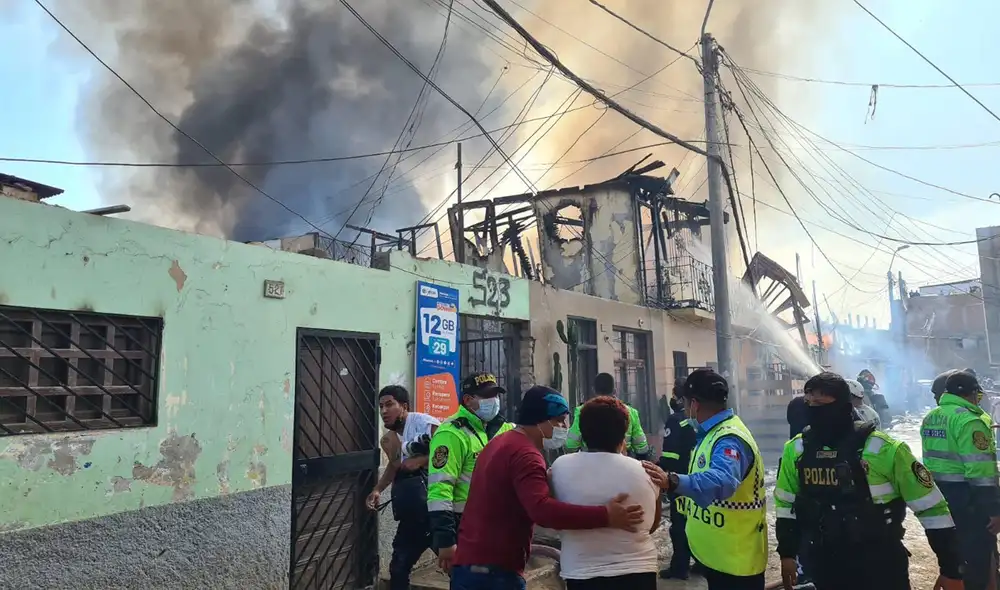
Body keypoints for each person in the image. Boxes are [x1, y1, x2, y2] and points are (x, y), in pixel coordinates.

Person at [775, 372, 963, 590]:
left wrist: (951, 569)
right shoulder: (797, 450)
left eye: (820, 402)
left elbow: (932, 509)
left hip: (879, 565)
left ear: (844, 407)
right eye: (809, 403)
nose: (812, 409)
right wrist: (787, 554)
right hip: (823, 564)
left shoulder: (883, 449)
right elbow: (785, 505)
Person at [450, 386, 646, 590]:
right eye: (559, 421)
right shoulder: (527, 455)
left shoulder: (501, 442)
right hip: (494, 572)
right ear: (540, 419)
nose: (563, 427)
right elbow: (542, 511)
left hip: (472, 560)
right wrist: (605, 515)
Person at [643, 368, 768, 590]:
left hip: (736, 560)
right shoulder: (711, 433)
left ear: (694, 404)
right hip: (720, 555)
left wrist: (672, 481)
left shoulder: (729, 438)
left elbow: (723, 481)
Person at [549, 395, 662, 589]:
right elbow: (651, 525)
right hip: (639, 572)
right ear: (624, 433)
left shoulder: (559, 468)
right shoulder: (647, 472)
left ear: (583, 432)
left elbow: (553, 515)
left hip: (582, 574)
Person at [427, 372, 514, 572]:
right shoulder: (451, 434)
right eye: (487, 396)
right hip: (464, 526)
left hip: (495, 525)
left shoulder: (501, 428)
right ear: (468, 400)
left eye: (496, 395)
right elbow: (440, 490)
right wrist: (446, 541)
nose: (494, 401)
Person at [921, 370, 1000, 590]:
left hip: (937, 499)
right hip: (968, 502)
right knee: (976, 561)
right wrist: (994, 510)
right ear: (973, 394)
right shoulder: (969, 421)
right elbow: (981, 473)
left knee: (951, 560)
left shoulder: (931, 417)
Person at [365, 385, 440, 590]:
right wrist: (377, 489)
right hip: (412, 513)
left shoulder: (424, 424)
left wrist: (422, 460)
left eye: (389, 405)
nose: (383, 411)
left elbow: (450, 450)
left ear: (404, 406)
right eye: (381, 406)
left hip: (437, 510)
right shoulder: (388, 439)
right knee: (398, 567)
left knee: (455, 564)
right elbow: (394, 466)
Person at [657, 378, 698, 580]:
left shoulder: (675, 420)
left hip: (680, 481)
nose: (672, 399)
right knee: (699, 521)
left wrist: (656, 470)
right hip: (701, 479)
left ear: (682, 398)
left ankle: (680, 568)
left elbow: (670, 456)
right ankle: (702, 562)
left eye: (674, 395)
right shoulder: (700, 419)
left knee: (680, 525)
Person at [567, 372, 650, 460]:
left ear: (593, 390)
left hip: (591, 462)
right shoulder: (630, 412)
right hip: (621, 462)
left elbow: (571, 445)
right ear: (614, 391)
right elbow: (641, 447)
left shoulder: (582, 411)